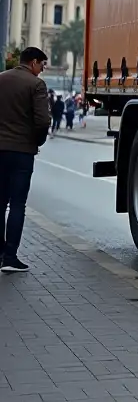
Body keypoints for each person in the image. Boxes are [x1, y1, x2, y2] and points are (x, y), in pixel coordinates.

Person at [0, 46, 51, 273]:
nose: (41, 70)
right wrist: (36, 142)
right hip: (22, 153)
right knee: (17, 204)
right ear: (33, 63)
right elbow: (42, 121)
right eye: (41, 65)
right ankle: (10, 257)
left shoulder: (1, 79)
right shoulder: (35, 84)